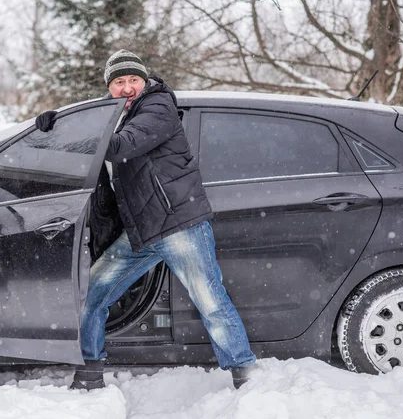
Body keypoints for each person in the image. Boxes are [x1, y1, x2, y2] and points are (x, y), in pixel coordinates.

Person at [36, 50, 257, 390]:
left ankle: (246, 375)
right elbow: (91, 136)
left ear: (145, 81)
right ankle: (90, 373)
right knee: (92, 294)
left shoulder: (158, 107)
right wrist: (57, 124)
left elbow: (120, 146)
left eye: (133, 80)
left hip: (178, 224)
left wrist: (69, 131)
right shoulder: (116, 114)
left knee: (210, 301)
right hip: (141, 231)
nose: (126, 88)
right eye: (118, 82)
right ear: (109, 88)